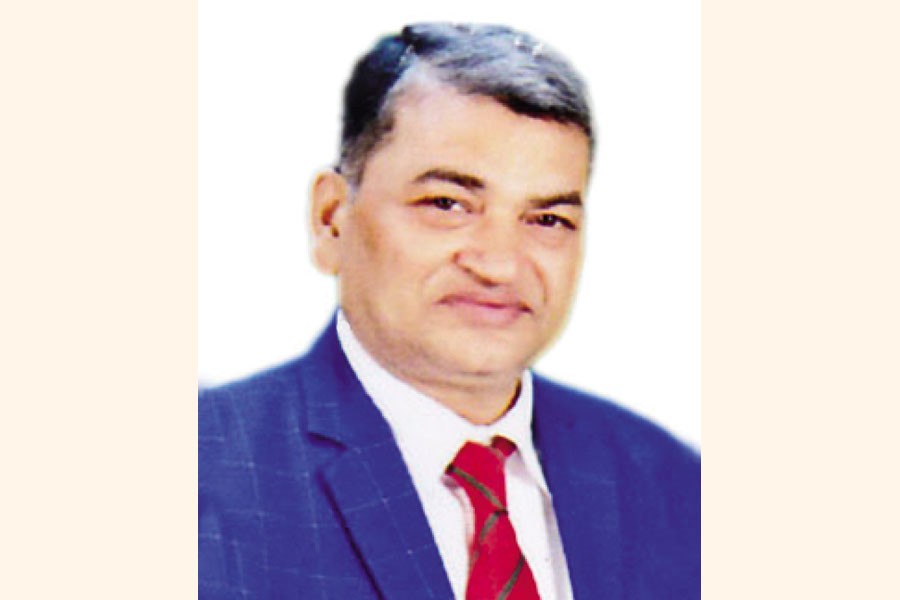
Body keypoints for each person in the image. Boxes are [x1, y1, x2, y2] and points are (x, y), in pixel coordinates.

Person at [199, 22, 699, 600]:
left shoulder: (675, 487)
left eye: (547, 219)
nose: (500, 265)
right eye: (447, 204)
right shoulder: (204, 475)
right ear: (331, 219)